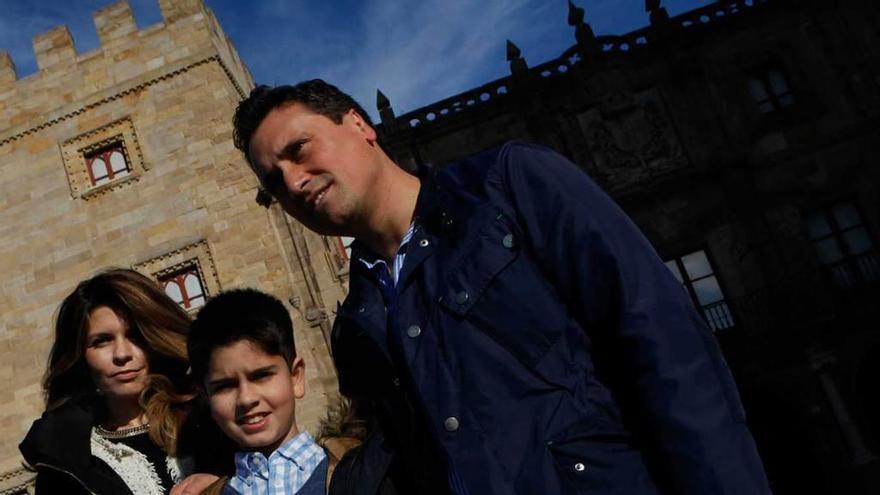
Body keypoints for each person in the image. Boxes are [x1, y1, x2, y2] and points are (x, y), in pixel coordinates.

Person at [231, 80, 772, 494]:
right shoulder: (356, 325)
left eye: (300, 150)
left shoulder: (512, 189)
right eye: (274, 181)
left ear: (358, 123)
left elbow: (666, 349)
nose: (294, 182)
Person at [19, 268, 231, 495]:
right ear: (80, 357)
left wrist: (223, 484)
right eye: (102, 341)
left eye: (135, 336)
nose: (122, 354)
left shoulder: (214, 415)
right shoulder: (64, 464)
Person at [187, 288, 395, 495]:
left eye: (261, 376)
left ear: (296, 376)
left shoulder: (369, 471)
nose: (246, 398)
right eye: (225, 386)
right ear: (206, 398)